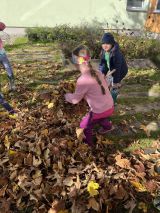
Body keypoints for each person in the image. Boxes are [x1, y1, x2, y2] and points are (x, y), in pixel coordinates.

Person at [65, 45, 114, 146]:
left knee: (84, 125)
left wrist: (66, 96)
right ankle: (108, 127)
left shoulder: (82, 80)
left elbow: (75, 100)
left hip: (99, 110)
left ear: (75, 63)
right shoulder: (98, 72)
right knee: (100, 117)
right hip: (110, 107)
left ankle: (88, 144)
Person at [99, 32, 128, 103]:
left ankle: (112, 101)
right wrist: (101, 74)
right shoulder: (104, 52)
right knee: (106, 82)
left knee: (114, 85)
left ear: (111, 44)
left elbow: (118, 69)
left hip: (121, 70)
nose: (105, 45)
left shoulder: (116, 53)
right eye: (103, 43)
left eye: (107, 43)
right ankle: (107, 95)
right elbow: (103, 64)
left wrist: (115, 82)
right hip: (113, 70)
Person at [0, 22, 15, 91]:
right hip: (2, 53)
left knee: (8, 68)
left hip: (1, 53)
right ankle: (12, 85)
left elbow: (3, 26)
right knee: (8, 68)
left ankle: (12, 85)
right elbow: (3, 26)